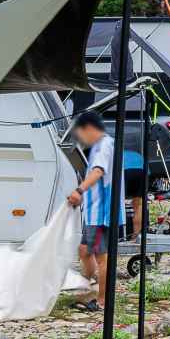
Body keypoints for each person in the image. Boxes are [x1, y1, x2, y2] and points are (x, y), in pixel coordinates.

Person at [67, 111, 116, 313]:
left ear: (89, 128)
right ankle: (86, 287)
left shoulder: (104, 145)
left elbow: (98, 171)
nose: (81, 139)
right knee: (84, 251)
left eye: (80, 133)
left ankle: (102, 300)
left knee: (102, 256)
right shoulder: (99, 145)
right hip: (94, 209)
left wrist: (80, 190)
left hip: (101, 212)